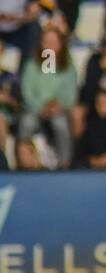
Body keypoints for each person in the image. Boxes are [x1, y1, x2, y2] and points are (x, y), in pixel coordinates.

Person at [18, 26, 77, 167]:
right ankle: (24, 163)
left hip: (58, 110)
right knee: (27, 122)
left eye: (53, 41)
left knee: (61, 124)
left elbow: (71, 95)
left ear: (61, 44)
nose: (50, 45)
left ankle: (64, 163)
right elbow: (27, 92)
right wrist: (41, 107)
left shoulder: (68, 67)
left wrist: (57, 105)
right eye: (46, 41)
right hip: (34, 109)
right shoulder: (31, 65)